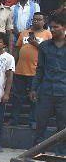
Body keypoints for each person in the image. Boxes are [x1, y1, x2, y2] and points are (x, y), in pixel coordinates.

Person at [30, 14, 66, 154]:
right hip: (46, 90)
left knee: (62, 126)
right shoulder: (45, 46)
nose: (53, 30)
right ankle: (36, 152)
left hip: (63, 92)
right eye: (51, 27)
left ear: (64, 27)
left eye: (56, 27)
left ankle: (61, 154)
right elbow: (40, 69)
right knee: (41, 123)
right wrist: (34, 88)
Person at [10, 12, 50, 128]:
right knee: (17, 97)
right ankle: (14, 119)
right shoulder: (24, 33)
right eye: (34, 19)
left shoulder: (48, 35)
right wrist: (13, 65)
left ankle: (33, 121)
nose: (36, 21)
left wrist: (35, 44)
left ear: (44, 21)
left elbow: (49, 52)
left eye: (39, 19)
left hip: (36, 72)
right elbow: (17, 50)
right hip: (20, 70)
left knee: (35, 98)